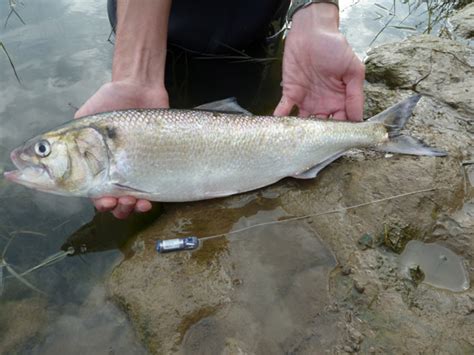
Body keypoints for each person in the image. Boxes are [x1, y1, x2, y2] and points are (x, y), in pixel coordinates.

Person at [74, 0, 365, 219]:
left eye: (43, 150)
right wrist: (132, 76)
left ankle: (363, 135)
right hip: (146, 22)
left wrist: (314, 11)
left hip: (253, 25)